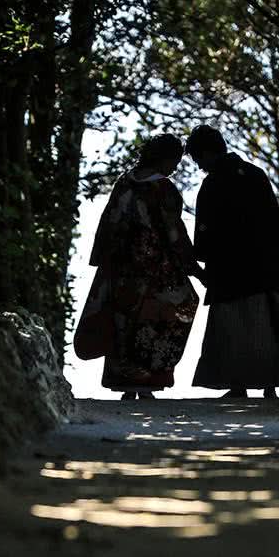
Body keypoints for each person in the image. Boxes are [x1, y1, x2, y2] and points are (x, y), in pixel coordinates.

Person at [74, 133, 204, 401]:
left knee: (123, 321)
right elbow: (174, 232)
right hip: (155, 269)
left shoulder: (125, 183)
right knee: (160, 316)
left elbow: (108, 221)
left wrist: (102, 260)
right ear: (164, 158)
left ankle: (126, 383)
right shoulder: (163, 189)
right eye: (175, 161)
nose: (175, 167)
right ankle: (146, 382)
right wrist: (193, 267)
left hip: (121, 269)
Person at [185, 124, 279, 400]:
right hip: (261, 267)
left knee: (234, 327)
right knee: (266, 325)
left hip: (228, 269)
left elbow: (206, 229)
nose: (199, 166)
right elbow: (275, 227)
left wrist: (201, 259)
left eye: (198, 158)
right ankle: (268, 385)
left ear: (207, 153)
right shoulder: (255, 174)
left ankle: (238, 384)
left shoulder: (213, 184)